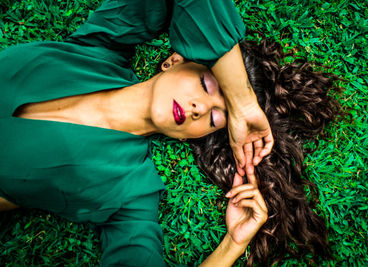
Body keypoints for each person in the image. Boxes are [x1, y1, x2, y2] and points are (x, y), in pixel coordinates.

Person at [0, 0, 271, 266]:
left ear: (188, 137)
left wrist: (232, 245)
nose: (199, 108)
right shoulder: (100, 45)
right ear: (174, 60)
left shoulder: (131, 190)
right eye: (205, 84)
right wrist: (241, 102)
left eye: (214, 118)